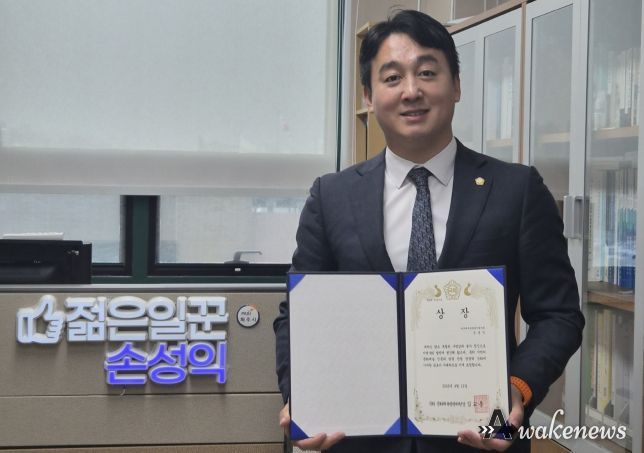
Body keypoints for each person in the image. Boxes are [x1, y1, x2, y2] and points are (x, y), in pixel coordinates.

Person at [273, 9, 584, 453]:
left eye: (426, 73)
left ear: (456, 85)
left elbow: (558, 314)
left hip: (482, 434)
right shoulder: (332, 196)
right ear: (369, 96)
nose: (411, 91)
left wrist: (517, 388)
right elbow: (299, 315)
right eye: (392, 78)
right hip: (357, 439)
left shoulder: (517, 189)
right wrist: (302, 395)